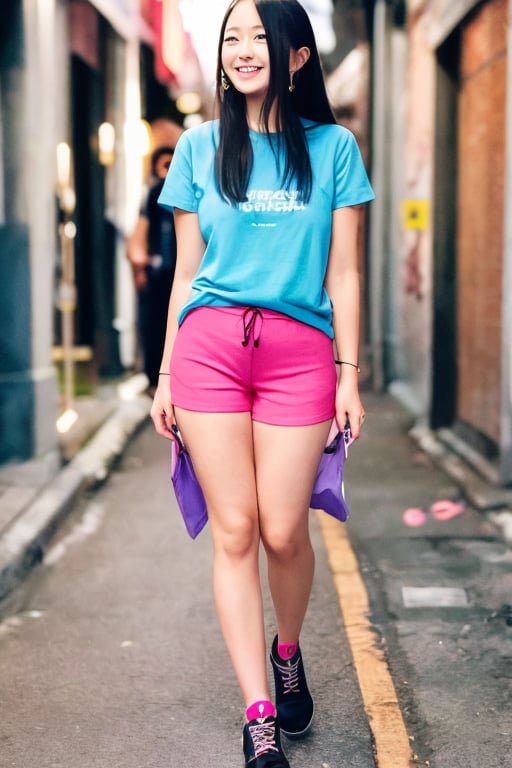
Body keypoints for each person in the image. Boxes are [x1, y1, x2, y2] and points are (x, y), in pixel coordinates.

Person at [151, 1, 374, 765]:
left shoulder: (335, 148)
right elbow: (186, 273)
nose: (244, 51)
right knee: (236, 530)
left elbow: (344, 270)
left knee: (284, 529)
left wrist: (349, 371)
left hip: (298, 353)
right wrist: (166, 372)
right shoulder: (200, 147)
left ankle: (287, 651)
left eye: (261, 39)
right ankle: (259, 716)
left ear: (298, 57)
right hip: (211, 347)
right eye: (233, 39)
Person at [126, 145, 177, 393]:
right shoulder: (152, 195)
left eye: (172, 165)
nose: (168, 171)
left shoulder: (185, 191)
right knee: (153, 325)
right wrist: (139, 266)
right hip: (158, 272)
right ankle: (155, 376)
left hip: (180, 271)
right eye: (164, 166)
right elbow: (138, 233)